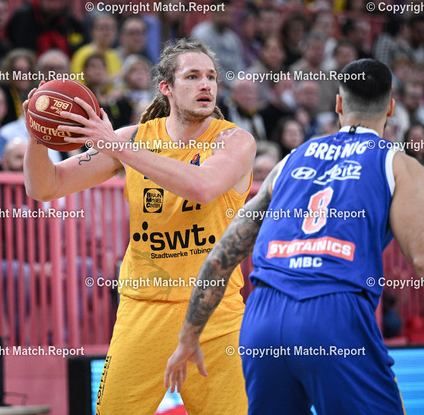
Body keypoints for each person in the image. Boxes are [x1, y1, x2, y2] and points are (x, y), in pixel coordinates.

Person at [164, 59, 424, 414]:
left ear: (339, 104)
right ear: (391, 108)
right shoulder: (397, 164)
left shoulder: (290, 160)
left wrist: (187, 338)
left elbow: (221, 256)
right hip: (332, 315)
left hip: (262, 318)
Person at [23, 38, 255, 414]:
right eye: (193, 76)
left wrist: (116, 147)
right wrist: (38, 135)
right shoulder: (133, 139)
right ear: (166, 87)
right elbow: (45, 187)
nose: (206, 84)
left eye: (211, 77)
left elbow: (202, 187)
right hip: (143, 309)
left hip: (214, 313)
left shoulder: (234, 140)